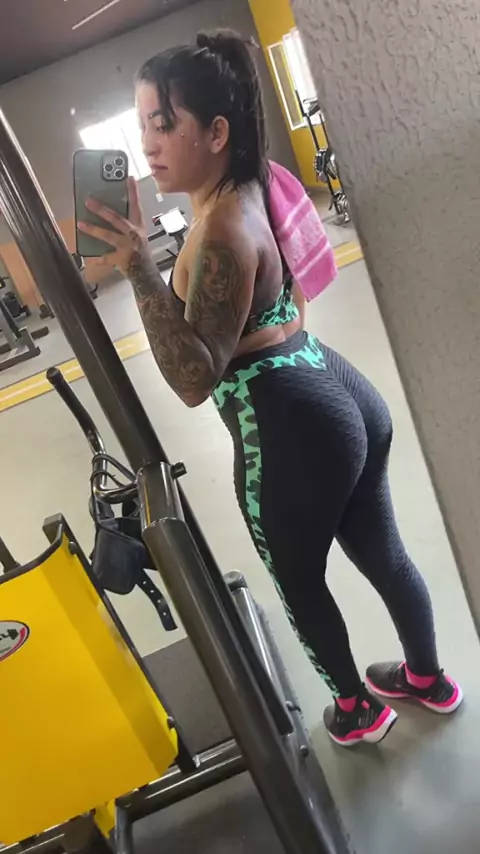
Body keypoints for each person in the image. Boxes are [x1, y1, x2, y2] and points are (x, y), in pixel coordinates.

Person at [78, 29, 462, 746]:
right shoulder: (254, 183)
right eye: (142, 127)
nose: (148, 146)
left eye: (163, 124)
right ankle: (426, 679)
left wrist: (137, 266)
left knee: (299, 582)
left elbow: (194, 379)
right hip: (336, 386)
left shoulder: (219, 230)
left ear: (216, 132)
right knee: (384, 552)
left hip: (287, 427)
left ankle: (356, 711)